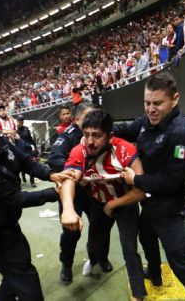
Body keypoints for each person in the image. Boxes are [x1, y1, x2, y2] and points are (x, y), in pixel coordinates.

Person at [0, 105, 75, 301]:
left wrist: (51, 174)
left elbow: (25, 161)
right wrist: (56, 192)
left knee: (14, 275)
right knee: (26, 278)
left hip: (7, 222)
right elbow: (15, 198)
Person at [114, 72, 185, 301]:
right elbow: (127, 129)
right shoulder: (149, 120)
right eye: (147, 103)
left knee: (179, 263)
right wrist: (101, 128)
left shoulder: (181, 133)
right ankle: (155, 275)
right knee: (146, 239)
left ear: (174, 99)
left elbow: (171, 180)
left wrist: (135, 180)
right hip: (148, 202)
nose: (151, 109)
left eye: (157, 103)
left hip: (168, 209)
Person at [60, 110, 147, 301]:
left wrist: (113, 204)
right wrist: (68, 208)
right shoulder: (80, 150)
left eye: (97, 135)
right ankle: (94, 259)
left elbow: (141, 191)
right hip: (98, 203)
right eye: (86, 134)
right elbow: (67, 180)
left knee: (129, 249)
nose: (90, 141)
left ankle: (138, 295)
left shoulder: (124, 150)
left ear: (110, 137)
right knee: (94, 244)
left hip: (126, 202)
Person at [47, 104, 112, 283]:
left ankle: (101, 258)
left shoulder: (102, 134)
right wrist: (75, 173)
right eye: (89, 117)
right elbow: (54, 158)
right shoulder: (68, 136)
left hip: (96, 191)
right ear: (77, 120)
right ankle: (66, 265)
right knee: (71, 232)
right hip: (74, 192)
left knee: (100, 228)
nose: (93, 121)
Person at [16, 115, 38, 188]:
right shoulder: (15, 130)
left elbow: (30, 139)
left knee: (31, 165)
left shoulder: (26, 129)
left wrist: (34, 147)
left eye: (22, 120)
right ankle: (23, 176)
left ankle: (32, 181)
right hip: (21, 150)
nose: (21, 121)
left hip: (29, 149)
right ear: (17, 121)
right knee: (22, 166)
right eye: (19, 120)